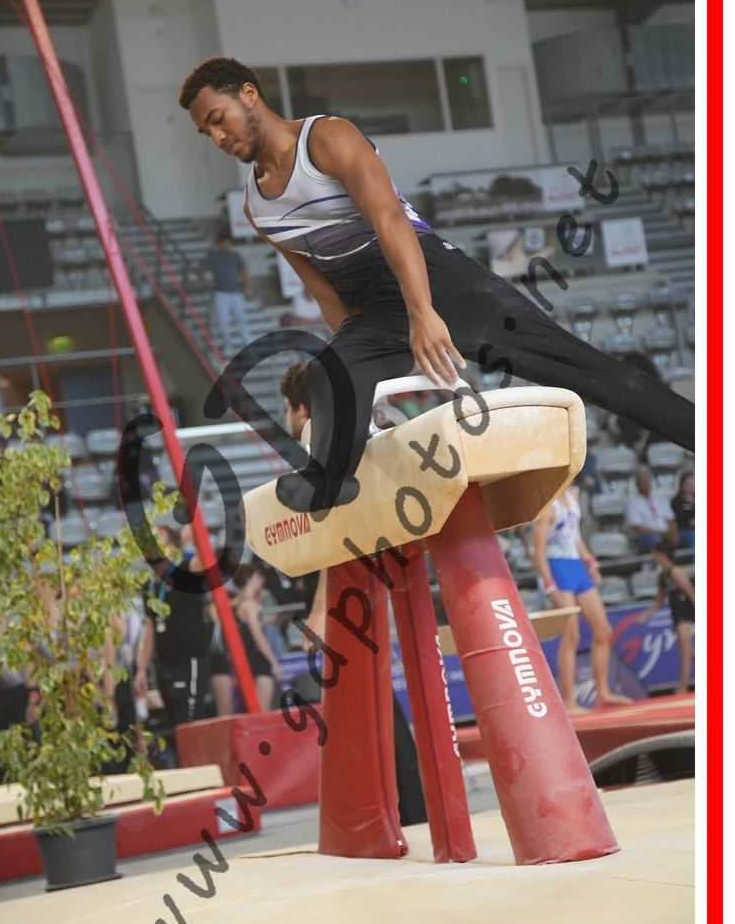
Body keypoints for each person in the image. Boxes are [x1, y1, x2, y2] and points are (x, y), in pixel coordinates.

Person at [179, 57, 694, 514]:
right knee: (326, 375)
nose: (217, 137)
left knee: (586, 372)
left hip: (436, 278)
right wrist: (360, 371)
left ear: (249, 93)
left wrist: (422, 311)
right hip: (373, 308)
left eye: (218, 119)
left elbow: (390, 220)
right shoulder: (257, 207)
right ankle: (329, 481)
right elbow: (325, 291)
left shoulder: (327, 138)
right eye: (205, 133)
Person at [278, 360, 427, 827]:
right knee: (368, 702)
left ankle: (410, 809)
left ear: (301, 409)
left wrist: (319, 611)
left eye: (286, 408)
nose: (285, 418)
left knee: (372, 701)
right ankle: (400, 810)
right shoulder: (341, 442)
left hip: (348, 584)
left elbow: (335, 534)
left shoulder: (322, 449)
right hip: (362, 576)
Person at [531, 486, 632, 711]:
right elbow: (538, 552)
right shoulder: (547, 505)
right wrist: (549, 585)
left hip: (576, 566)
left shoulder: (573, 495)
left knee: (603, 631)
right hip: (558, 568)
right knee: (571, 635)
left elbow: (574, 535)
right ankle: (568, 700)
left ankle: (602, 692)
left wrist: (590, 561)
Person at [134, 526, 213, 752]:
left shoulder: (186, 569)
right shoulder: (150, 584)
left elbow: (206, 563)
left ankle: (199, 766)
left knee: (190, 724)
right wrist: (141, 669)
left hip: (189, 659)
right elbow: (149, 627)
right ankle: (186, 765)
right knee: (175, 727)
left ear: (171, 545)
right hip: (164, 663)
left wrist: (196, 539)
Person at [636, 536, 695, 694]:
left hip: (686, 612)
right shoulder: (662, 576)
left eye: (654, 553)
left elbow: (691, 592)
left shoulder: (675, 572)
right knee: (687, 650)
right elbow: (659, 601)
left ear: (661, 554)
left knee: (684, 650)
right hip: (676, 613)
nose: (652, 556)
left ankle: (683, 687)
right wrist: (645, 615)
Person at [228, 562, 283, 711]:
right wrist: (274, 662)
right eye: (259, 576)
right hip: (257, 660)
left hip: (244, 659)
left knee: (251, 709)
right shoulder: (249, 606)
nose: (261, 580)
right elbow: (258, 636)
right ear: (250, 578)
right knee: (262, 712)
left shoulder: (235, 603)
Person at [200, 229, 252, 359]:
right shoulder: (212, 256)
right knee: (224, 321)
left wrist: (246, 287)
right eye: (223, 243)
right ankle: (228, 345)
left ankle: (248, 344)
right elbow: (201, 268)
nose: (226, 245)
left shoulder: (235, 255)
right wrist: (204, 280)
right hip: (221, 292)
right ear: (219, 243)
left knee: (242, 318)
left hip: (236, 292)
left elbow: (243, 271)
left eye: (228, 243)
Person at [626, 469, 678, 555]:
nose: (645, 484)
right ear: (637, 485)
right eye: (642, 482)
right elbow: (637, 527)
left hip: (665, 532)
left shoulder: (660, 498)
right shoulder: (632, 503)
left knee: (690, 536)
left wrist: (673, 533)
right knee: (656, 540)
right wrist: (662, 533)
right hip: (647, 536)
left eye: (647, 482)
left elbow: (670, 518)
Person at [671, 470, 695, 551]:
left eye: (692, 484)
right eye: (688, 484)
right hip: (684, 530)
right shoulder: (676, 501)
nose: (690, 486)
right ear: (682, 484)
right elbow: (679, 519)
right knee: (691, 535)